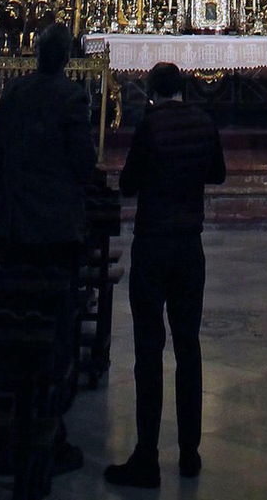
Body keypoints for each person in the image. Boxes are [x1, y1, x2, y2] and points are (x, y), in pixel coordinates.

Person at [106, 60, 227, 489]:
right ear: (183, 89)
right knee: (188, 344)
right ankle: (190, 453)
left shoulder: (150, 126)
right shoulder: (203, 122)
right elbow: (218, 173)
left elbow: (128, 184)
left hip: (153, 242)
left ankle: (146, 455)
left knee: (148, 347)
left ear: (152, 92)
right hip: (189, 245)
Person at [0, 21, 96, 477]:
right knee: (55, 323)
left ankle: (13, 418)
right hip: (55, 224)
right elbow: (83, 162)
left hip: (17, 222)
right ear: (67, 57)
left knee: (17, 315)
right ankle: (49, 427)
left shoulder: (13, 94)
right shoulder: (71, 97)